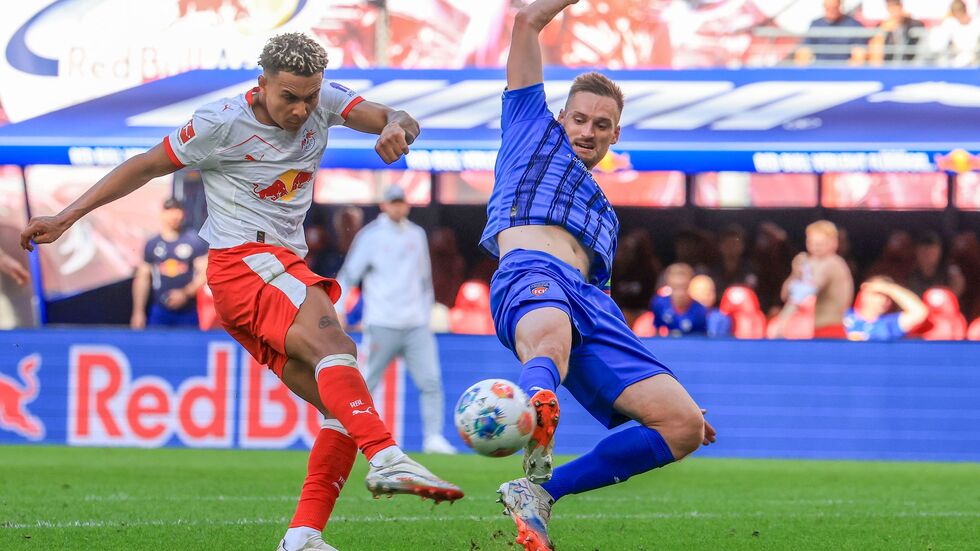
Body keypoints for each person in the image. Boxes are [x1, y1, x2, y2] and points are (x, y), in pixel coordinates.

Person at [20, 32, 461, 551]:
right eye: (289, 97)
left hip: (272, 267)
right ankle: (386, 457)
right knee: (337, 347)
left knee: (344, 406)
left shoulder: (325, 100)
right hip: (244, 263)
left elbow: (396, 115)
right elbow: (144, 164)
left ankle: (303, 536)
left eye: (310, 97)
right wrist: (67, 217)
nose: (301, 110)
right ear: (262, 84)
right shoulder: (220, 122)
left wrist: (395, 127)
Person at [480, 2, 715, 549]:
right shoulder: (528, 130)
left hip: (590, 301)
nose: (588, 131)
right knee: (550, 337)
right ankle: (537, 410)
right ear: (562, 117)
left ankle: (538, 493)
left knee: (682, 426)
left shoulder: (607, 216)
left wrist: (669, 396)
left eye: (601, 125)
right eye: (580, 119)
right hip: (531, 268)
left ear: (614, 135)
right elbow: (526, 22)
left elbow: (602, 307)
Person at [336, 185, 457, 455]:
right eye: (393, 202)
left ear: (407, 204)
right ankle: (352, 435)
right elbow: (349, 274)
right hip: (382, 321)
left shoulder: (417, 234)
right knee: (366, 383)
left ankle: (433, 438)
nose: (398, 206)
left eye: (401, 201)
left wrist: (427, 312)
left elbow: (424, 279)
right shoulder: (371, 236)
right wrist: (339, 308)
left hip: (416, 323)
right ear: (384, 205)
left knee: (430, 381)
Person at [131, 198, 208, 329]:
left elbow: (205, 272)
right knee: (155, 341)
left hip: (187, 311)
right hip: (160, 310)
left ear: (183, 214)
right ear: (162, 214)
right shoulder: (153, 244)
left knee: (187, 342)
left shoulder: (193, 240)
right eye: (170, 211)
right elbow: (142, 278)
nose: (174, 215)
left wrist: (185, 293)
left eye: (178, 211)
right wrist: (138, 312)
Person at [771, 220, 854, 339]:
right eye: (812, 242)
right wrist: (796, 273)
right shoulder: (812, 263)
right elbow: (785, 295)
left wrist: (782, 322)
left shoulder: (833, 263)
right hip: (818, 330)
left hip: (831, 330)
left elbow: (806, 290)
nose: (816, 247)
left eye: (821, 243)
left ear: (834, 242)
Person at [844, 277, 928, 341]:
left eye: (889, 297)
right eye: (879, 294)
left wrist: (888, 288)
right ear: (864, 294)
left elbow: (919, 312)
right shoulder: (845, 315)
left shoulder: (888, 324)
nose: (884, 300)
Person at [795, 0, 867, 65]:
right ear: (824, 7)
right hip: (820, 68)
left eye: (834, 7)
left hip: (844, 69)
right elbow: (805, 49)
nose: (831, 10)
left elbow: (859, 53)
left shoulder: (853, 25)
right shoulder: (816, 24)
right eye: (828, 7)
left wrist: (847, 69)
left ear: (840, 6)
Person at [649, 263, 708, 336]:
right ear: (668, 284)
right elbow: (655, 331)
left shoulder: (700, 311)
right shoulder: (659, 304)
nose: (680, 293)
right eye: (675, 287)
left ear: (690, 284)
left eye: (684, 287)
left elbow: (703, 338)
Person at [928, 0, 980, 67]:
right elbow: (938, 45)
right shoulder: (950, 23)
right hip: (955, 57)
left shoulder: (976, 23)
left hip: (974, 57)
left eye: (959, 10)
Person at [688, 274, 732, 338]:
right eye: (701, 291)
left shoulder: (720, 319)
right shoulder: (679, 315)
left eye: (710, 291)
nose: (706, 295)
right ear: (689, 293)